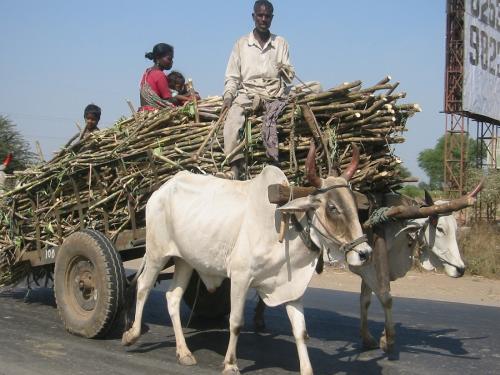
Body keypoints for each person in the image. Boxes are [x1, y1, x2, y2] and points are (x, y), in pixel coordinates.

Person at [220, 0, 295, 179]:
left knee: (316, 87)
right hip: (249, 94)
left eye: (267, 16)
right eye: (260, 15)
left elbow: (289, 76)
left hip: (275, 92)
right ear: (253, 17)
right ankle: (234, 165)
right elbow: (232, 77)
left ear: (272, 18)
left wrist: (284, 70)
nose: (263, 19)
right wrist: (228, 97)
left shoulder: (281, 43)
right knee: (232, 121)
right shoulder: (241, 44)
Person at [139, 43, 191, 110]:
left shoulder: (147, 72)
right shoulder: (159, 75)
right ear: (158, 58)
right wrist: (188, 98)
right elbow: (169, 99)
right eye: (169, 59)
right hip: (154, 110)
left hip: (144, 110)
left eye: (172, 59)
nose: (171, 62)